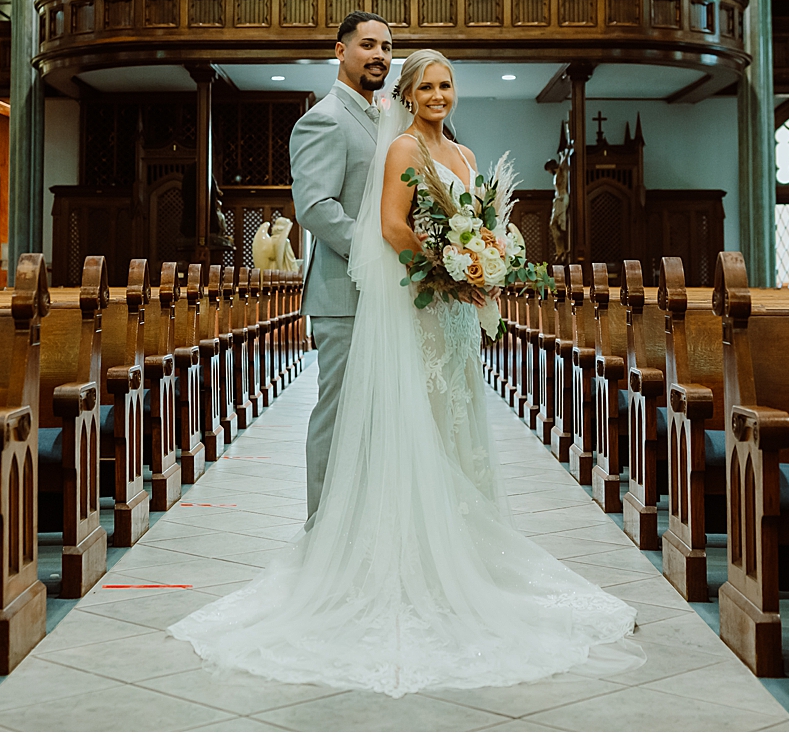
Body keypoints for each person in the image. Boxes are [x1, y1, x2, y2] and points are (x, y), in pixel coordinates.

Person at [169, 50, 641, 697]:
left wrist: (485, 261)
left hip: (455, 316)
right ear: (409, 95)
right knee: (413, 428)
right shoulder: (402, 152)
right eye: (427, 86)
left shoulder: (468, 157)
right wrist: (451, 263)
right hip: (421, 311)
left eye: (447, 84)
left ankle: (465, 559)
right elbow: (392, 226)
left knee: (455, 427)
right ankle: (409, 565)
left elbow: (483, 224)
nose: (439, 94)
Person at [285, 11, 392, 526]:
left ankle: (367, 519)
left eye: (387, 47)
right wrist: (380, 253)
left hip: (386, 294)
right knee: (340, 411)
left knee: (377, 415)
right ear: (340, 50)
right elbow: (316, 208)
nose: (379, 56)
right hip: (343, 294)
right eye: (368, 45)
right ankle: (323, 526)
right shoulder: (324, 117)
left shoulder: (386, 115)